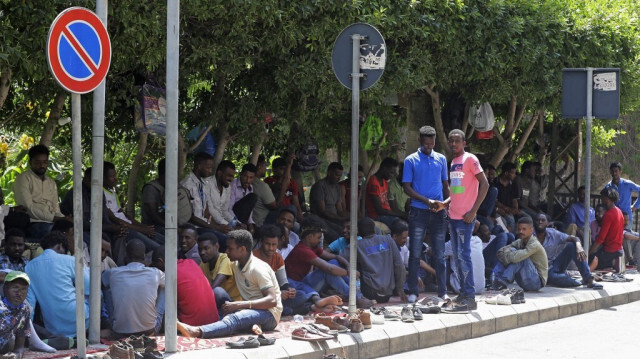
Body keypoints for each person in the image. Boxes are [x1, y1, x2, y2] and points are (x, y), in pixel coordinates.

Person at [177, 230, 282, 339]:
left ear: (242, 249)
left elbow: (272, 301)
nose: (226, 251)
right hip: (248, 309)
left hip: (270, 314)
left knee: (234, 318)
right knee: (219, 295)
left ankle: (198, 331)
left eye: (230, 248)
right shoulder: (235, 264)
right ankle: (251, 323)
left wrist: (239, 305)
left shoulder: (258, 269)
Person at [439, 129, 489, 310]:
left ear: (464, 143)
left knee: (463, 255)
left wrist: (473, 211)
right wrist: (444, 204)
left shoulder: (470, 159)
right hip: (452, 217)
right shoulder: (453, 162)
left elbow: (485, 184)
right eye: (451, 141)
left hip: (464, 219)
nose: (453, 144)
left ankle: (469, 296)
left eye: (457, 141)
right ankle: (463, 292)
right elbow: (457, 191)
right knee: (458, 256)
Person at [402, 125, 449, 303]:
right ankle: (413, 291)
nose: (429, 146)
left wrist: (446, 203)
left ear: (435, 141)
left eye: (432, 143)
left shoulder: (441, 159)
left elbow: (445, 185)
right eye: (426, 143)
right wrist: (425, 201)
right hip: (418, 211)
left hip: (438, 211)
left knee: (439, 253)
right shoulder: (410, 160)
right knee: (415, 253)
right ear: (420, 141)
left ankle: (442, 291)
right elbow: (407, 187)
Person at [285, 216, 373, 308]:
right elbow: (329, 269)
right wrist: (349, 273)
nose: (320, 241)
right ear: (310, 237)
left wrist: (348, 267)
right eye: (318, 237)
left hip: (304, 283)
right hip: (296, 287)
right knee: (328, 271)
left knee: (333, 261)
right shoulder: (303, 250)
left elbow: (336, 257)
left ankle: (357, 296)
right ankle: (355, 298)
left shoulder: (312, 248)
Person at [25, 231, 89, 337]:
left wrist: (27, 332)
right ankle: (98, 330)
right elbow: (91, 288)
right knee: (96, 292)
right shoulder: (71, 260)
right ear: (60, 246)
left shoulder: (29, 267)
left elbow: (30, 303)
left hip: (52, 326)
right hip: (80, 319)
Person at [102, 239, 164, 337]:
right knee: (166, 287)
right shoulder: (155, 273)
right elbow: (171, 282)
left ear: (126, 256)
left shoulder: (113, 273)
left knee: (106, 287)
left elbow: (102, 280)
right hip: (149, 330)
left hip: (120, 332)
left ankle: (108, 321)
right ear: (144, 256)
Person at [103, 161, 164, 251]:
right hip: (126, 230)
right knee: (158, 249)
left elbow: (125, 216)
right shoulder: (101, 193)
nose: (115, 178)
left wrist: (144, 227)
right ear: (103, 178)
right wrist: (141, 229)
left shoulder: (112, 193)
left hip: (132, 227)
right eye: (112, 177)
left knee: (163, 240)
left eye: (115, 175)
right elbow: (115, 219)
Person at [13, 145, 69, 240]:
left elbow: (56, 208)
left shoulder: (51, 182)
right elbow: (28, 208)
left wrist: (65, 219)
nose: (42, 165)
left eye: (44, 162)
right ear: (30, 162)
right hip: (33, 222)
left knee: (74, 229)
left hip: (52, 222)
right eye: (37, 162)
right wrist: (54, 218)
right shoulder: (23, 179)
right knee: (54, 234)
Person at [534, 213, 600, 289]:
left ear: (547, 223)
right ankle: (577, 282)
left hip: (555, 265)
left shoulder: (553, 233)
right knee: (564, 279)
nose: (540, 222)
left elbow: (574, 238)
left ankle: (588, 278)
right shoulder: (530, 235)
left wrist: (579, 246)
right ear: (534, 223)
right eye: (537, 220)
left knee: (573, 245)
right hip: (542, 271)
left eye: (543, 220)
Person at [180, 152, 229, 251]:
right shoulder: (187, 184)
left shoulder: (203, 184)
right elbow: (191, 217)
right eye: (208, 168)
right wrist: (215, 228)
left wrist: (218, 226)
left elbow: (206, 212)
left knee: (230, 237)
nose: (210, 171)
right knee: (224, 241)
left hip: (204, 226)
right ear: (199, 166)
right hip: (194, 228)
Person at [355, 218, 406, 303]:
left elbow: (341, 258)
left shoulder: (357, 245)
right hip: (388, 293)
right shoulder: (389, 240)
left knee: (354, 266)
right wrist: (400, 289)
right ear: (375, 229)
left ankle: (359, 298)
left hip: (370, 293)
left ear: (358, 231)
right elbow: (399, 266)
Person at [490, 217, 548, 292]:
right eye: (519, 229)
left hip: (536, 282)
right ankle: (494, 280)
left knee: (520, 257)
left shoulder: (535, 244)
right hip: (524, 280)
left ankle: (503, 282)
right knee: (513, 252)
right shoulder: (520, 241)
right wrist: (509, 255)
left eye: (524, 229)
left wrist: (508, 255)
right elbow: (500, 252)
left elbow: (516, 258)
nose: (521, 231)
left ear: (531, 230)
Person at [198, 232, 242, 313]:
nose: (202, 252)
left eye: (206, 248)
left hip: (234, 305)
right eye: (200, 249)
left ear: (216, 246)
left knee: (217, 291)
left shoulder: (225, 259)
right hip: (218, 305)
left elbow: (214, 287)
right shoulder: (203, 265)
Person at [310, 162, 349, 243]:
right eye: (336, 175)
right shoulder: (320, 186)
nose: (338, 178)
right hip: (321, 220)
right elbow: (322, 211)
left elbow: (339, 209)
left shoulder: (337, 187)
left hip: (334, 219)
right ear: (329, 172)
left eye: (340, 176)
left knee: (350, 230)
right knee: (336, 236)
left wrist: (348, 218)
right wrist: (340, 218)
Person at [589, 187, 624, 270]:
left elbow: (600, 239)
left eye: (603, 199)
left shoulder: (608, 215)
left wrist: (589, 253)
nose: (602, 201)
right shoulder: (619, 211)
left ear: (607, 199)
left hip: (609, 251)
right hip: (618, 250)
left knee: (589, 260)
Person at [365, 157, 406, 228]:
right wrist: (400, 215)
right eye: (391, 172)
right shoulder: (373, 183)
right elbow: (379, 210)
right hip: (377, 216)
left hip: (386, 215)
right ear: (384, 168)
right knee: (401, 225)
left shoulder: (385, 182)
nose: (392, 176)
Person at [0, 271, 31, 357]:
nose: (19, 293)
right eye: (15, 287)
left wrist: (16, 355)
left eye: (23, 289)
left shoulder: (24, 310)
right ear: (5, 288)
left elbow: (20, 347)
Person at [208, 160, 244, 232]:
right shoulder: (207, 184)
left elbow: (225, 211)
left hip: (222, 224)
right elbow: (211, 211)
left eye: (232, 176)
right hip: (210, 224)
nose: (231, 179)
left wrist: (236, 223)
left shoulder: (227, 187)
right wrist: (228, 225)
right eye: (229, 176)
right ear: (219, 173)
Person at [265, 156, 304, 222]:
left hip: (289, 212)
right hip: (275, 212)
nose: (285, 171)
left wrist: (299, 212)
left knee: (293, 209)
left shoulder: (292, 183)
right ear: (274, 170)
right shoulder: (268, 181)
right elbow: (279, 185)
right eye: (282, 169)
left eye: (286, 169)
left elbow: (296, 202)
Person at [493, 162, 523, 232]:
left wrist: (515, 209)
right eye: (513, 173)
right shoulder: (495, 182)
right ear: (506, 173)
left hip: (509, 210)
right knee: (510, 220)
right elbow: (495, 201)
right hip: (498, 209)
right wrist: (507, 209)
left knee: (526, 218)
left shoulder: (513, 184)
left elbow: (514, 200)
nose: (514, 175)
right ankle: (511, 239)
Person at [228, 163, 258, 230]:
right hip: (232, 217)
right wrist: (237, 223)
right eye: (245, 176)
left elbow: (249, 209)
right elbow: (229, 208)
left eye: (251, 178)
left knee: (258, 230)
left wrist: (250, 223)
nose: (247, 181)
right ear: (240, 174)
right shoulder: (233, 185)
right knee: (253, 197)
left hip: (243, 219)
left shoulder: (250, 188)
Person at [251, 155, 278, 227]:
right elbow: (274, 206)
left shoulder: (250, 182)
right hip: (260, 222)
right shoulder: (261, 186)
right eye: (265, 166)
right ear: (260, 166)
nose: (266, 169)